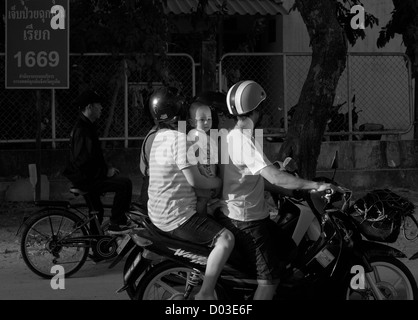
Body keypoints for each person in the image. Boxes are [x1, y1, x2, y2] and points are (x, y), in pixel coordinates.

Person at [216, 80, 334, 300]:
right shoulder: (243, 142)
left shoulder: (233, 136)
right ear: (256, 110)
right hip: (247, 221)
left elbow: (259, 178)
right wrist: (315, 185)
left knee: (289, 251)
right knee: (269, 281)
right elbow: (274, 175)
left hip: (249, 215)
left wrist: (293, 192)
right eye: (262, 107)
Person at [147, 86, 235, 300]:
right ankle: (205, 293)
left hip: (158, 212)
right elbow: (197, 181)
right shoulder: (180, 140)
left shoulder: (158, 136)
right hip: (176, 216)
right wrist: (221, 181)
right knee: (226, 239)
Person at [63, 89, 133, 234]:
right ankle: (117, 222)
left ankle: (97, 246)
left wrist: (106, 169)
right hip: (86, 179)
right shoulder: (83, 129)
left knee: (97, 211)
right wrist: (105, 172)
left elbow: (92, 157)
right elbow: (84, 160)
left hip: (85, 176)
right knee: (125, 184)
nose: (101, 108)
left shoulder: (85, 126)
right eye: (98, 105)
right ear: (89, 107)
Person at [187, 100, 218, 216]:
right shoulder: (194, 136)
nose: (206, 122)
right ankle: (202, 219)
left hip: (208, 173)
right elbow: (196, 158)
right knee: (202, 200)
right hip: (202, 174)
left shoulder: (207, 137)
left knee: (205, 200)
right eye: (202, 119)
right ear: (192, 122)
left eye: (209, 119)